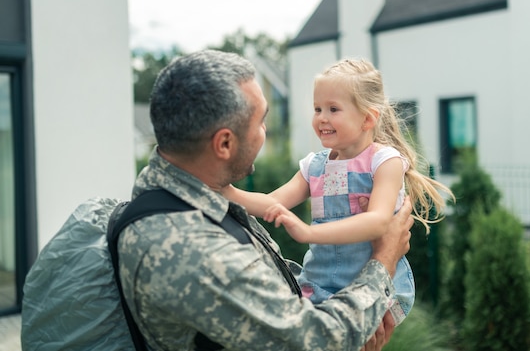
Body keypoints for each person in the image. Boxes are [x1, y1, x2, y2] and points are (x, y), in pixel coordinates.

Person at [116, 49, 414, 351]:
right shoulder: (188, 245)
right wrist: (383, 261)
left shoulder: (192, 198)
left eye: (332, 109)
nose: (265, 132)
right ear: (224, 143)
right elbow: (318, 341)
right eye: (260, 122)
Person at [224, 58, 453, 325]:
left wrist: (309, 232)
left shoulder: (384, 162)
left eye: (333, 109)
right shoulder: (315, 166)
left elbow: (378, 221)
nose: (322, 118)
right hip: (321, 287)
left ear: (367, 118)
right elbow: (272, 202)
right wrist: (222, 190)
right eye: (317, 108)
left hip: (377, 288)